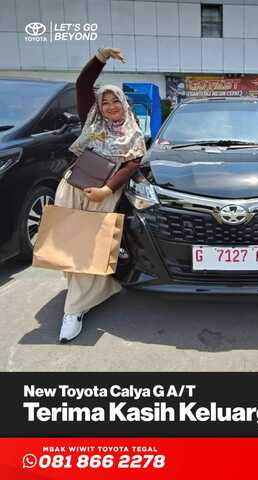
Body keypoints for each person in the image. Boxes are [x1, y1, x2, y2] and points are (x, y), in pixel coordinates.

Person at [54, 48, 146, 343]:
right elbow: (83, 84)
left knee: (89, 251)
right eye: (104, 102)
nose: (109, 106)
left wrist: (107, 189)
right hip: (73, 189)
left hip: (103, 195)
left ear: (124, 104)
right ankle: (84, 294)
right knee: (68, 249)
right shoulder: (91, 121)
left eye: (115, 100)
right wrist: (101, 57)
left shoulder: (133, 133)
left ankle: (73, 310)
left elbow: (131, 164)